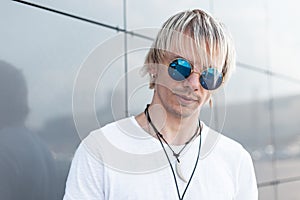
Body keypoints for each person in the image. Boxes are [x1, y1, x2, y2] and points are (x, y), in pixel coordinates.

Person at [63, 9, 258, 200]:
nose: (193, 84)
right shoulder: (100, 150)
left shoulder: (236, 160)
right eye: (180, 66)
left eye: (209, 75)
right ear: (154, 66)